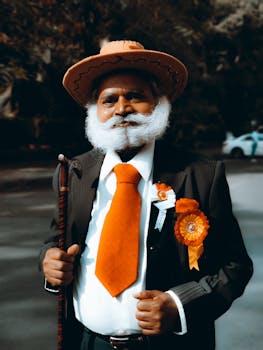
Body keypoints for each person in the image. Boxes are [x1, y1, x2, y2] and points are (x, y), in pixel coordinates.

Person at [40, 40, 253, 350]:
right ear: (94, 111)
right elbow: (55, 242)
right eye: (109, 100)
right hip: (87, 343)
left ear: (158, 103)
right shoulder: (71, 173)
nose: (122, 108)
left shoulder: (200, 175)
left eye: (136, 96)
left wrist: (179, 305)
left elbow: (235, 266)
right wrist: (48, 262)